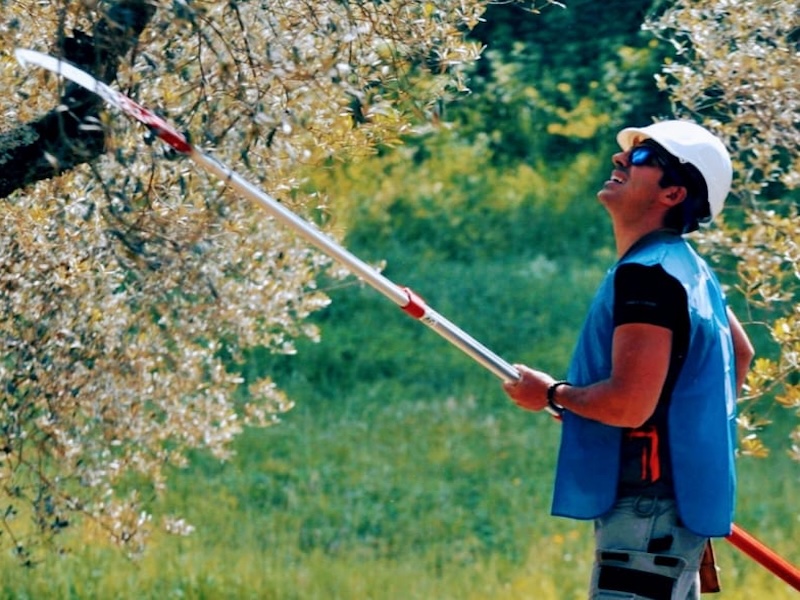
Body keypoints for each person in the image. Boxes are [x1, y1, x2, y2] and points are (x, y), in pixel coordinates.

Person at [503, 120, 755, 599]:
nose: (620, 159)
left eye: (642, 158)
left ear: (674, 193)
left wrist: (553, 395)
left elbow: (629, 404)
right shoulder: (687, 269)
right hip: (665, 520)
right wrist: (686, 444)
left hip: (647, 519)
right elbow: (738, 354)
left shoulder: (647, 277)